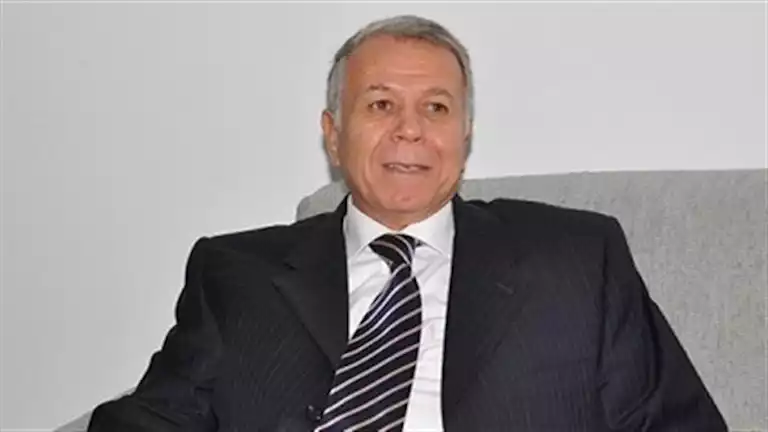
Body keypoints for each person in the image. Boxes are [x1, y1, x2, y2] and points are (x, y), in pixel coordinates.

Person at [88, 14, 726, 432]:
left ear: (464, 134)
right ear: (333, 133)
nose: (410, 129)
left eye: (437, 108)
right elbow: (154, 420)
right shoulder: (236, 275)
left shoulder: (579, 260)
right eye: (380, 104)